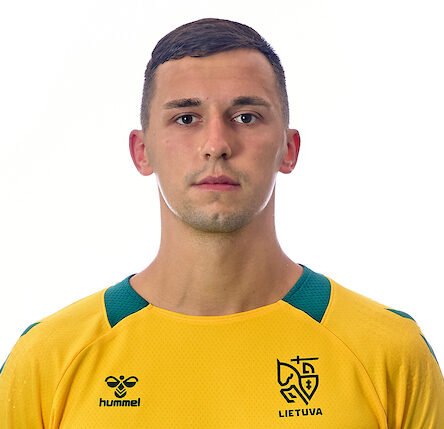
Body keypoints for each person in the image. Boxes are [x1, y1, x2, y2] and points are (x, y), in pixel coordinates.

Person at [0, 17, 442, 428]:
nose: (216, 144)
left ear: (289, 149)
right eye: (186, 118)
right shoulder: (48, 361)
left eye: (246, 117)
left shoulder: (390, 354)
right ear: (142, 151)